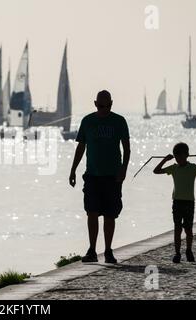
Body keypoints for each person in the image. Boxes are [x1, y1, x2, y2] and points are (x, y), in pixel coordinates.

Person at [69, 90, 131, 264]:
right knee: (92, 213)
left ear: (112, 103)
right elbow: (81, 147)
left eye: (108, 105)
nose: (105, 109)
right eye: (102, 106)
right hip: (92, 175)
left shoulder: (119, 121)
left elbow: (127, 148)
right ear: (95, 104)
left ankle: (108, 251)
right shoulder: (87, 121)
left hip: (113, 176)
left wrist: (124, 169)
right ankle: (92, 250)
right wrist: (73, 170)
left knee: (110, 215)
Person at [153, 143, 196, 263]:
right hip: (177, 202)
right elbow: (156, 171)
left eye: (180, 157)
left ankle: (189, 250)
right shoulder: (174, 168)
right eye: (176, 157)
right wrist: (165, 160)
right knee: (177, 229)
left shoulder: (193, 168)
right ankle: (177, 253)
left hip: (189, 202)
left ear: (187, 155)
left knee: (188, 229)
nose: (178, 159)